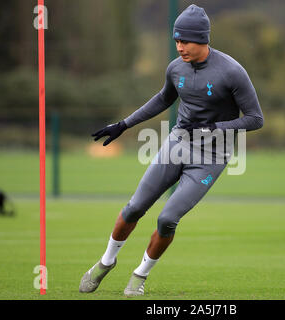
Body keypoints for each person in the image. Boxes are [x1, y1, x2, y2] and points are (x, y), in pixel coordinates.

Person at [79, 4, 264, 296]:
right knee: (135, 207)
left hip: (211, 157)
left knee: (167, 219)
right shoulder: (175, 67)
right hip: (177, 144)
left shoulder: (232, 71)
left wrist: (213, 129)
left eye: (185, 41)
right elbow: (162, 99)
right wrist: (124, 124)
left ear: (202, 39)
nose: (179, 47)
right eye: (176, 40)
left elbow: (256, 119)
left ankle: (140, 275)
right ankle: (106, 262)